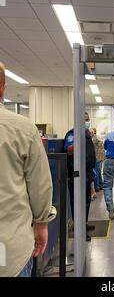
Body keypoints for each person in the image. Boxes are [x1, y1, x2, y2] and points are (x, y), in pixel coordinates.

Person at [0, 62, 56, 276]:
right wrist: (42, 223)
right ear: (3, 87)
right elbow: (40, 185)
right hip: (11, 250)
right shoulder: (22, 129)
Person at [63, 112, 96, 241]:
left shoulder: (86, 134)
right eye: (85, 120)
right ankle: (78, 229)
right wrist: (78, 142)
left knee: (86, 200)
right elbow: (69, 150)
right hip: (76, 174)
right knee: (77, 202)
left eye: (88, 120)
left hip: (86, 172)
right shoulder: (72, 134)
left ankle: (84, 224)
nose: (87, 122)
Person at [89, 127, 105, 200]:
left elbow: (89, 145)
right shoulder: (96, 137)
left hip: (97, 157)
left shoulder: (94, 139)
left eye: (91, 132)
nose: (90, 134)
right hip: (100, 157)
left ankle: (97, 187)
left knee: (96, 173)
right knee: (98, 172)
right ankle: (101, 185)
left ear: (93, 132)